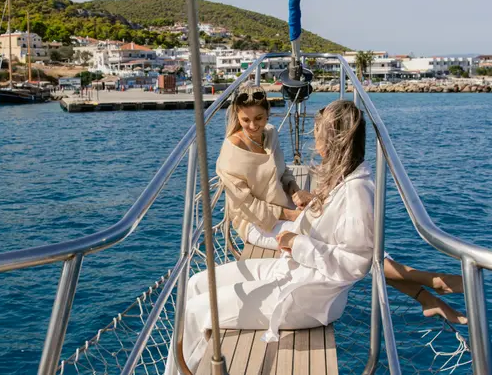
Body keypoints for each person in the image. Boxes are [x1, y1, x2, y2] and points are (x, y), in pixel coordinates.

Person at [216, 89, 467, 324]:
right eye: (245, 120)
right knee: (360, 250)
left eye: (258, 118)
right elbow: (249, 206)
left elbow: (283, 173)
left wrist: (297, 192)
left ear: (268, 114)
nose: (252, 125)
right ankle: (427, 283)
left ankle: (428, 296)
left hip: (287, 211)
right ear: (236, 117)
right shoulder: (231, 153)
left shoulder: (270, 134)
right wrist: (293, 214)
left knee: (359, 247)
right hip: (257, 222)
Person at [165, 98, 377, 374]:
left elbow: (356, 262)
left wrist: (297, 243)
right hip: (292, 270)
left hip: (309, 297)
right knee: (195, 284)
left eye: (318, 134)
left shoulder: (357, 191)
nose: (315, 140)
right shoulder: (341, 179)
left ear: (333, 140)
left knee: (195, 310)